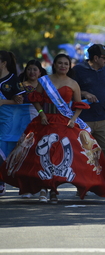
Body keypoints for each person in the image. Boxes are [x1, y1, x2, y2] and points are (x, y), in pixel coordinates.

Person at [0, 53, 105, 204]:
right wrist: (41, 114)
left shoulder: (73, 83)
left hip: (65, 122)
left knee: (65, 157)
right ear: (54, 65)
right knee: (41, 155)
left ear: (69, 67)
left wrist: (73, 119)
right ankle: (43, 188)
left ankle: (54, 188)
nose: (63, 66)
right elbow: (36, 99)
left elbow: (79, 105)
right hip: (45, 121)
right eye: (60, 63)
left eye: (66, 64)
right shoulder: (44, 81)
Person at [72, 44, 105, 163]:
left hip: (102, 118)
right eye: (104, 57)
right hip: (83, 118)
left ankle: (100, 173)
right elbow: (69, 90)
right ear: (95, 58)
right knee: (83, 151)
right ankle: (86, 177)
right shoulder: (77, 70)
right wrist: (85, 93)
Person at [18, 59, 47, 199]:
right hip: (22, 123)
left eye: (35, 69)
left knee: (40, 155)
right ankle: (26, 188)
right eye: (29, 69)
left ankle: (43, 187)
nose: (32, 72)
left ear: (40, 72)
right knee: (25, 156)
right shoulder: (19, 86)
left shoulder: (46, 86)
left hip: (42, 122)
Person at [0, 50, 23, 196]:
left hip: (7, 121)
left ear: (3, 63)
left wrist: (3, 102)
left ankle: (1, 181)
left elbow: (20, 101)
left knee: (2, 150)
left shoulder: (14, 80)